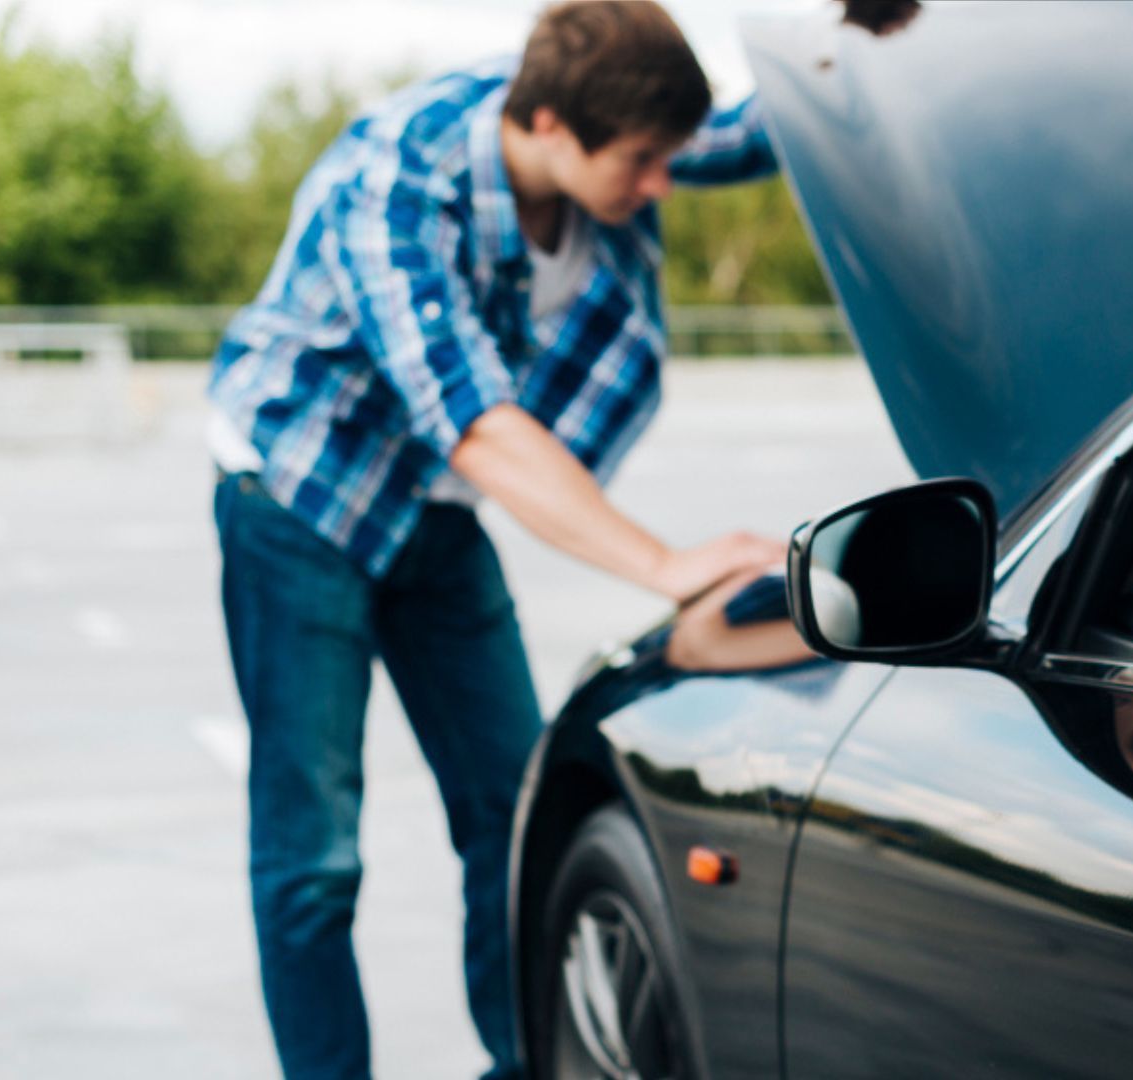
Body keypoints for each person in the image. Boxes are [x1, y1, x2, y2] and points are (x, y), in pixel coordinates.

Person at [206, 4, 788, 1077]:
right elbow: (476, 427)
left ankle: (525, 1063)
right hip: (298, 501)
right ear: (554, 127)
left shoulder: (600, 116)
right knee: (314, 854)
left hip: (429, 508)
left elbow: (762, 132)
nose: (662, 187)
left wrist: (872, 34)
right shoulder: (392, 180)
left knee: (510, 811)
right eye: (644, 165)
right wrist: (663, 565)